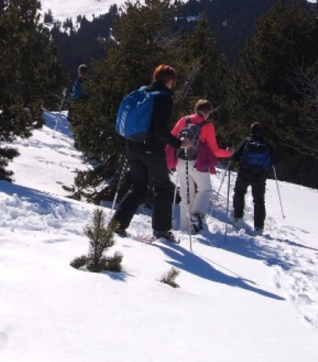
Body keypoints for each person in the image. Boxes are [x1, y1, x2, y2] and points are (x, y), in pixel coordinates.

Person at [111, 64, 186, 243]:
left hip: (132, 145)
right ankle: (161, 231)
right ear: (169, 80)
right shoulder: (164, 98)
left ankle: (117, 224)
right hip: (151, 148)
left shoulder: (143, 92)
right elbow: (159, 129)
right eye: (173, 81)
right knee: (162, 187)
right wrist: (178, 144)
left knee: (138, 187)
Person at [167, 99, 231, 234]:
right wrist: (228, 152)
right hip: (197, 163)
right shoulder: (208, 126)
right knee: (205, 190)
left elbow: (172, 137)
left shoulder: (183, 120)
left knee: (186, 194)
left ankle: (185, 228)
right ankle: (196, 215)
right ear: (207, 112)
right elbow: (214, 150)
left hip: (180, 160)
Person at [231, 122, 278, 234]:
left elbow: (236, 156)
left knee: (239, 193)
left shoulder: (247, 141)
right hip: (260, 176)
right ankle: (259, 226)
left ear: (251, 131)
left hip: (245, 173)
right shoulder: (266, 144)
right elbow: (276, 160)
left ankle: (238, 216)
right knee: (259, 200)